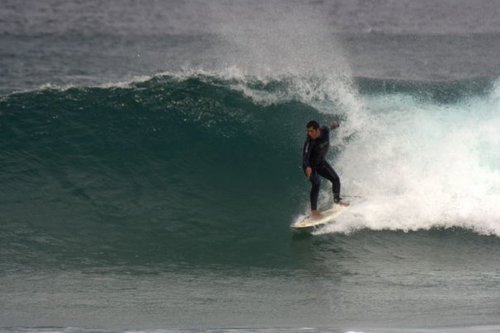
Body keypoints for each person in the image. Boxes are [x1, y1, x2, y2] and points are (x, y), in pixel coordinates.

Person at [303, 120, 348, 219]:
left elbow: (330, 126)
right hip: (311, 167)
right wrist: (307, 166)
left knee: (335, 179)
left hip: (321, 163)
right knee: (316, 183)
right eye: (308, 131)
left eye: (311, 131)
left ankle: (337, 201)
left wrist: (336, 124)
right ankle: (314, 211)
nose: (308, 133)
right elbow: (305, 157)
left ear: (317, 130)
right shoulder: (309, 142)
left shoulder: (325, 130)